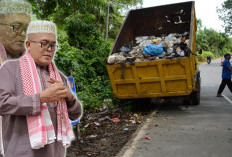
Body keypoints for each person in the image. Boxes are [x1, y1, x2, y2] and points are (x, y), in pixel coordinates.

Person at [0, 20, 82, 157]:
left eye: (53, 45)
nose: (49, 49)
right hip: (21, 152)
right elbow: (2, 103)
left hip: (56, 152)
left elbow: (75, 115)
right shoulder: (10, 70)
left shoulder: (59, 76)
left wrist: (71, 98)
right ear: (28, 45)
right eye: (43, 44)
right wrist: (41, 98)